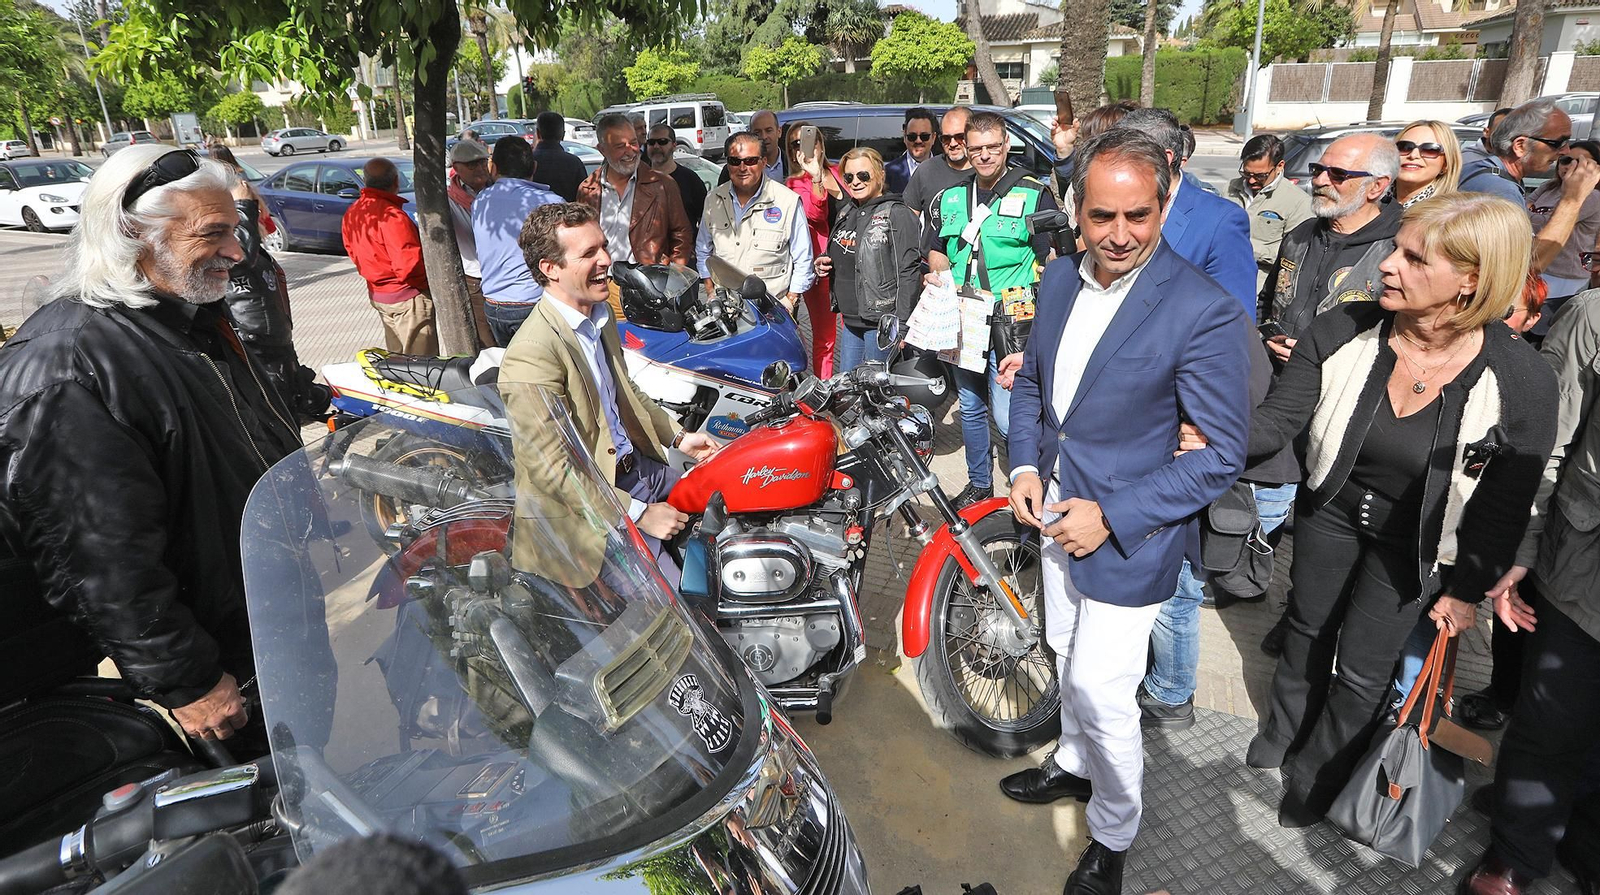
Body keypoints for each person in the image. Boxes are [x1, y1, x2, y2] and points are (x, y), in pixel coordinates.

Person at [1235, 193, 1558, 831]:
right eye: (1395, 248)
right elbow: (1278, 420)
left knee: (1363, 668)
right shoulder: (1342, 328)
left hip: (1416, 543)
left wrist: (1466, 591)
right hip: (1330, 511)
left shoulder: (1521, 381)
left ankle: (1317, 775)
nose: (1386, 264)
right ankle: (1284, 731)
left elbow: (1503, 503)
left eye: (1413, 257)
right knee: (1305, 628)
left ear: (1471, 281)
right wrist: (1208, 435)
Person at [1002, 128, 1252, 895]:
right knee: (1064, 651)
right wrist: (1021, 462)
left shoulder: (1201, 308)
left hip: (1128, 536)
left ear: (1165, 200)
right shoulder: (1055, 281)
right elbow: (1036, 388)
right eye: (1101, 215)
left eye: (1137, 216)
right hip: (1052, 515)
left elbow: (1219, 454)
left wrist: (1110, 514)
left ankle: (1112, 834)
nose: (1118, 234)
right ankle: (1074, 765)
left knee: (1104, 689)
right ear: (1076, 208)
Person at [0, 145, 302, 743]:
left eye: (236, 232)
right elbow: (98, 558)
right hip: (221, 673)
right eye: (213, 234)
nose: (238, 253)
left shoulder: (190, 321)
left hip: (271, 632)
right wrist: (186, 679)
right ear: (131, 235)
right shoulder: (69, 365)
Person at [1458, 285, 1600, 895]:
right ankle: (1516, 849)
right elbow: (1549, 442)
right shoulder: (1593, 314)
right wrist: (1523, 551)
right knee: (1552, 715)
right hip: (1584, 574)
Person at [498, 203, 718, 581]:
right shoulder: (531, 355)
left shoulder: (599, 317)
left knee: (728, 501)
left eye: (603, 246)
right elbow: (553, 471)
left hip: (638, 471)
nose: (606, 260)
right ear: (550, 269)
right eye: (588, 254)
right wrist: (639, 513)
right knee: (681, 609)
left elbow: (624, 392)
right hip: (587, 507)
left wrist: (679, 436)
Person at [926, 111, 1059, 507]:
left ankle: (1037, 477)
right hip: (964, 315)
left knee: (1007, 414)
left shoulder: (1034, 193)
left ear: (1006, 147)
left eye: (992, 148)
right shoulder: (950, 197)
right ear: (965, 149)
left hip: (1012, 318)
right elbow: (935, 249)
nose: (984, 156)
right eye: (976, 149)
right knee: (969, 404)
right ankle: (980, 482)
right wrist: (938, 272)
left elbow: (1053, 260)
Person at [1263, 133, 1402, 357]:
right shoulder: (1300, 235)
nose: (1319, 181)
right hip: (1275, 378)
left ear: (1376, 186)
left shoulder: (1398, 250)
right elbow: (1268, 300)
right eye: (1318, 170)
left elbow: (1401, 337)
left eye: (1338, 174)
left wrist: (1313, 361)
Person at [1118, 108, 1257, 317]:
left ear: (1163, 159)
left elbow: (1235, 320)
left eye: (1124, 158)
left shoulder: (1221, 222)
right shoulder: (1112, 208)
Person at [814, 148, 921, 373]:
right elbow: (849, 251)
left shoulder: (896, 213)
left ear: (880, 174)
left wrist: (901, 325)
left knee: (876, 395)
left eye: (864, 175)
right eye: (849, 177)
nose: (856, 182)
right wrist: (825, 261)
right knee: (849, 391)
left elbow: (909, 272)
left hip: (880, 323)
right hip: (851, 321)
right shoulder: (847, 211)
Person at [697, 132, 813, 311]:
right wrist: (710, 291)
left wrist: (790, 301)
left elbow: (803, 257)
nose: (743, 168)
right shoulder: (713, 200)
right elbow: (703, 250)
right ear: (727, 164)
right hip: (728, 310)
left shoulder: (787, 201)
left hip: (773, 311)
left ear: (764, 162)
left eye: (750, 161)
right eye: (735, 161)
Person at [577, 113, 693, 281]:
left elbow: (682, 234)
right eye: (619, 146)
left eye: (633, 143)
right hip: (603, 284)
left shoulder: (663, 185)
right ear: (602, 150)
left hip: (650, 285)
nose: (630, 151)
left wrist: (672, 277)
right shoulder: (588, 190)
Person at [472, 136, 563, 345]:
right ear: (534, 167)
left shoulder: (481, 201)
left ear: (493, 169)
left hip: (494, 305)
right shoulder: (551, 203)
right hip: (533, 303)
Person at [343, 158, 438, 355]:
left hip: (381, 295)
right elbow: (408, 265)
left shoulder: (354, 211)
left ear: (366, 181)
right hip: (406, 297)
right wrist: (426, 287)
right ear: (396, 181)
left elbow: (352, 251)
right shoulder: (392, 216)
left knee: (398, 360)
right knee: (423, 367)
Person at [785, 120, 845, 376]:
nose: (803, 147)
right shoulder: (793, 184)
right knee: (826, 337)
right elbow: (816, 215)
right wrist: (815, 178)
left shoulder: (840, 171)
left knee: (853, 332)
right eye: (795, 144)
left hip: (851, 261)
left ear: (820, 143)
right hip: (821, 266)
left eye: (809, 140)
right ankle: (824, 390)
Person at [1526, 139, 1600, 333]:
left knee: (1544, 328)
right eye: (1566, 160)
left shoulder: (1592, 197)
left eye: (1582, 161)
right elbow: (1519, 213)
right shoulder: (1547, 187)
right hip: (1538, 266)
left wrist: (1535, 214)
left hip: (1565, 276)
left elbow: (1542, 221)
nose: (1571, 166)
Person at [1225, 133, 1313, 295]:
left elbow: (1296, 256)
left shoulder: (1299, 203)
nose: (1251, 181)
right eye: (1246, 173)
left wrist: (1244, 247)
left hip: (1258, 292)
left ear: (1279, 166)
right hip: (1220, 284)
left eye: (1260, 176)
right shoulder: (1229, 189)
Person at [1459, 98, 1569, 204]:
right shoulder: (1502, 191)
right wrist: (1572, 200)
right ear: (1520, 146)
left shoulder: (1478, 169)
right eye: (1559, 143)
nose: (1566, 151)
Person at [447, 139, 497, 348]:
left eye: (482, 162)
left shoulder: (499, 189)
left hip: (503, 273)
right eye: (471, 164)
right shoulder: (449, 200)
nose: (479, 168)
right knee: (488, 341)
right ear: (456, 168)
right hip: (476, 279)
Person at [903, 105, 972, 226]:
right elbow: (906, 223)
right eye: (946, 138)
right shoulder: (926, 170)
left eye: (960, 137)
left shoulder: (984, 171)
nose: (953, 143)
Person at [647, 122, 708, 247]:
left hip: (684, 254)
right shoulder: (637, 180)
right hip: (647, 255)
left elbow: (705, 221)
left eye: (663, 141)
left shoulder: (690, 179)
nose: (656, 146)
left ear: (674, 145)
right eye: (651, 142)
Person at [1392, 120, 1462, 208]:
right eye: (1404, 147)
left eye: (1430, 150)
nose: (1413, 155)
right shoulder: (1373, 202)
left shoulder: (1450, 215)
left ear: (1446, 164)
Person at [530, 111, 587, 202]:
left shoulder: (527, 161)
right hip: (567, 214)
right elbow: (583, 195)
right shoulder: (574, 163)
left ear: (538, 133)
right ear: (563, 135)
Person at [885, 107, 937, 195]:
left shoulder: (945, 169)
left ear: (933, 138)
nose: (918, 141)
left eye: (924, 136)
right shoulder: (889, 172)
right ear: (905, 138)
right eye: (912, 137)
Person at [750, 110, 785, 182]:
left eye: (768, 130)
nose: (764, 136)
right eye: (757, 132)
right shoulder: (737, 169)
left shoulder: (796, 165)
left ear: (779, 132)